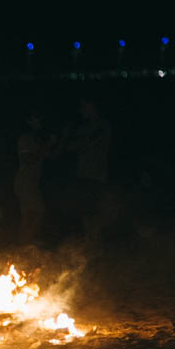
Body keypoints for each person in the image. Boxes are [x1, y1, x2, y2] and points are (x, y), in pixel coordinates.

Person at [62, 95, 112, 242]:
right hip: (83, 175)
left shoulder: (103, 124)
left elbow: (87, 143)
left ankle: (96, 245)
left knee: (95, 214)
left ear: (92, 106)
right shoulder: (83, 128)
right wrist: (74, 140)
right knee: (85, 213)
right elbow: (70, 146)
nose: (81, 110)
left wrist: (80, 142)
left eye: (83, 106)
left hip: (97, 175)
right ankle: (89, 245)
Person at [14, 111, 60, 245]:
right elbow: (28, 159)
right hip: (25, 180)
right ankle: (24, 244)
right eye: (36, 118)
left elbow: (53, 156)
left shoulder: (37, 140)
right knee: (34, 213)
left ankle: (24, 244)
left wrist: (62, 139)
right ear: (29, 121)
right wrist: (47, 145)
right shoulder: (25, 139)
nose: (40, 121)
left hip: (32, 181)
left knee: (32, 214)